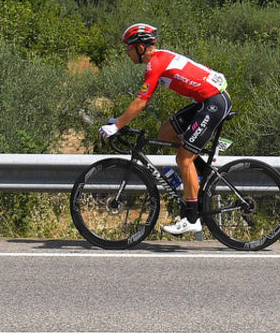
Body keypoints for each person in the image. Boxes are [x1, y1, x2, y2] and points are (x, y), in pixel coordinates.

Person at [99, 23, 231, 235]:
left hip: (214, 102)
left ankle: (192, 218)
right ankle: (199, 169)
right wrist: (121, 121)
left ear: (141, 47)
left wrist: (116, 127)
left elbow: (142, 102)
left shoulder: (155, 64)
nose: (127, 52)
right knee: (165, 133)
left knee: (183, 159)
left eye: (129, 48)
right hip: (207, 100)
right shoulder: (159, 59)